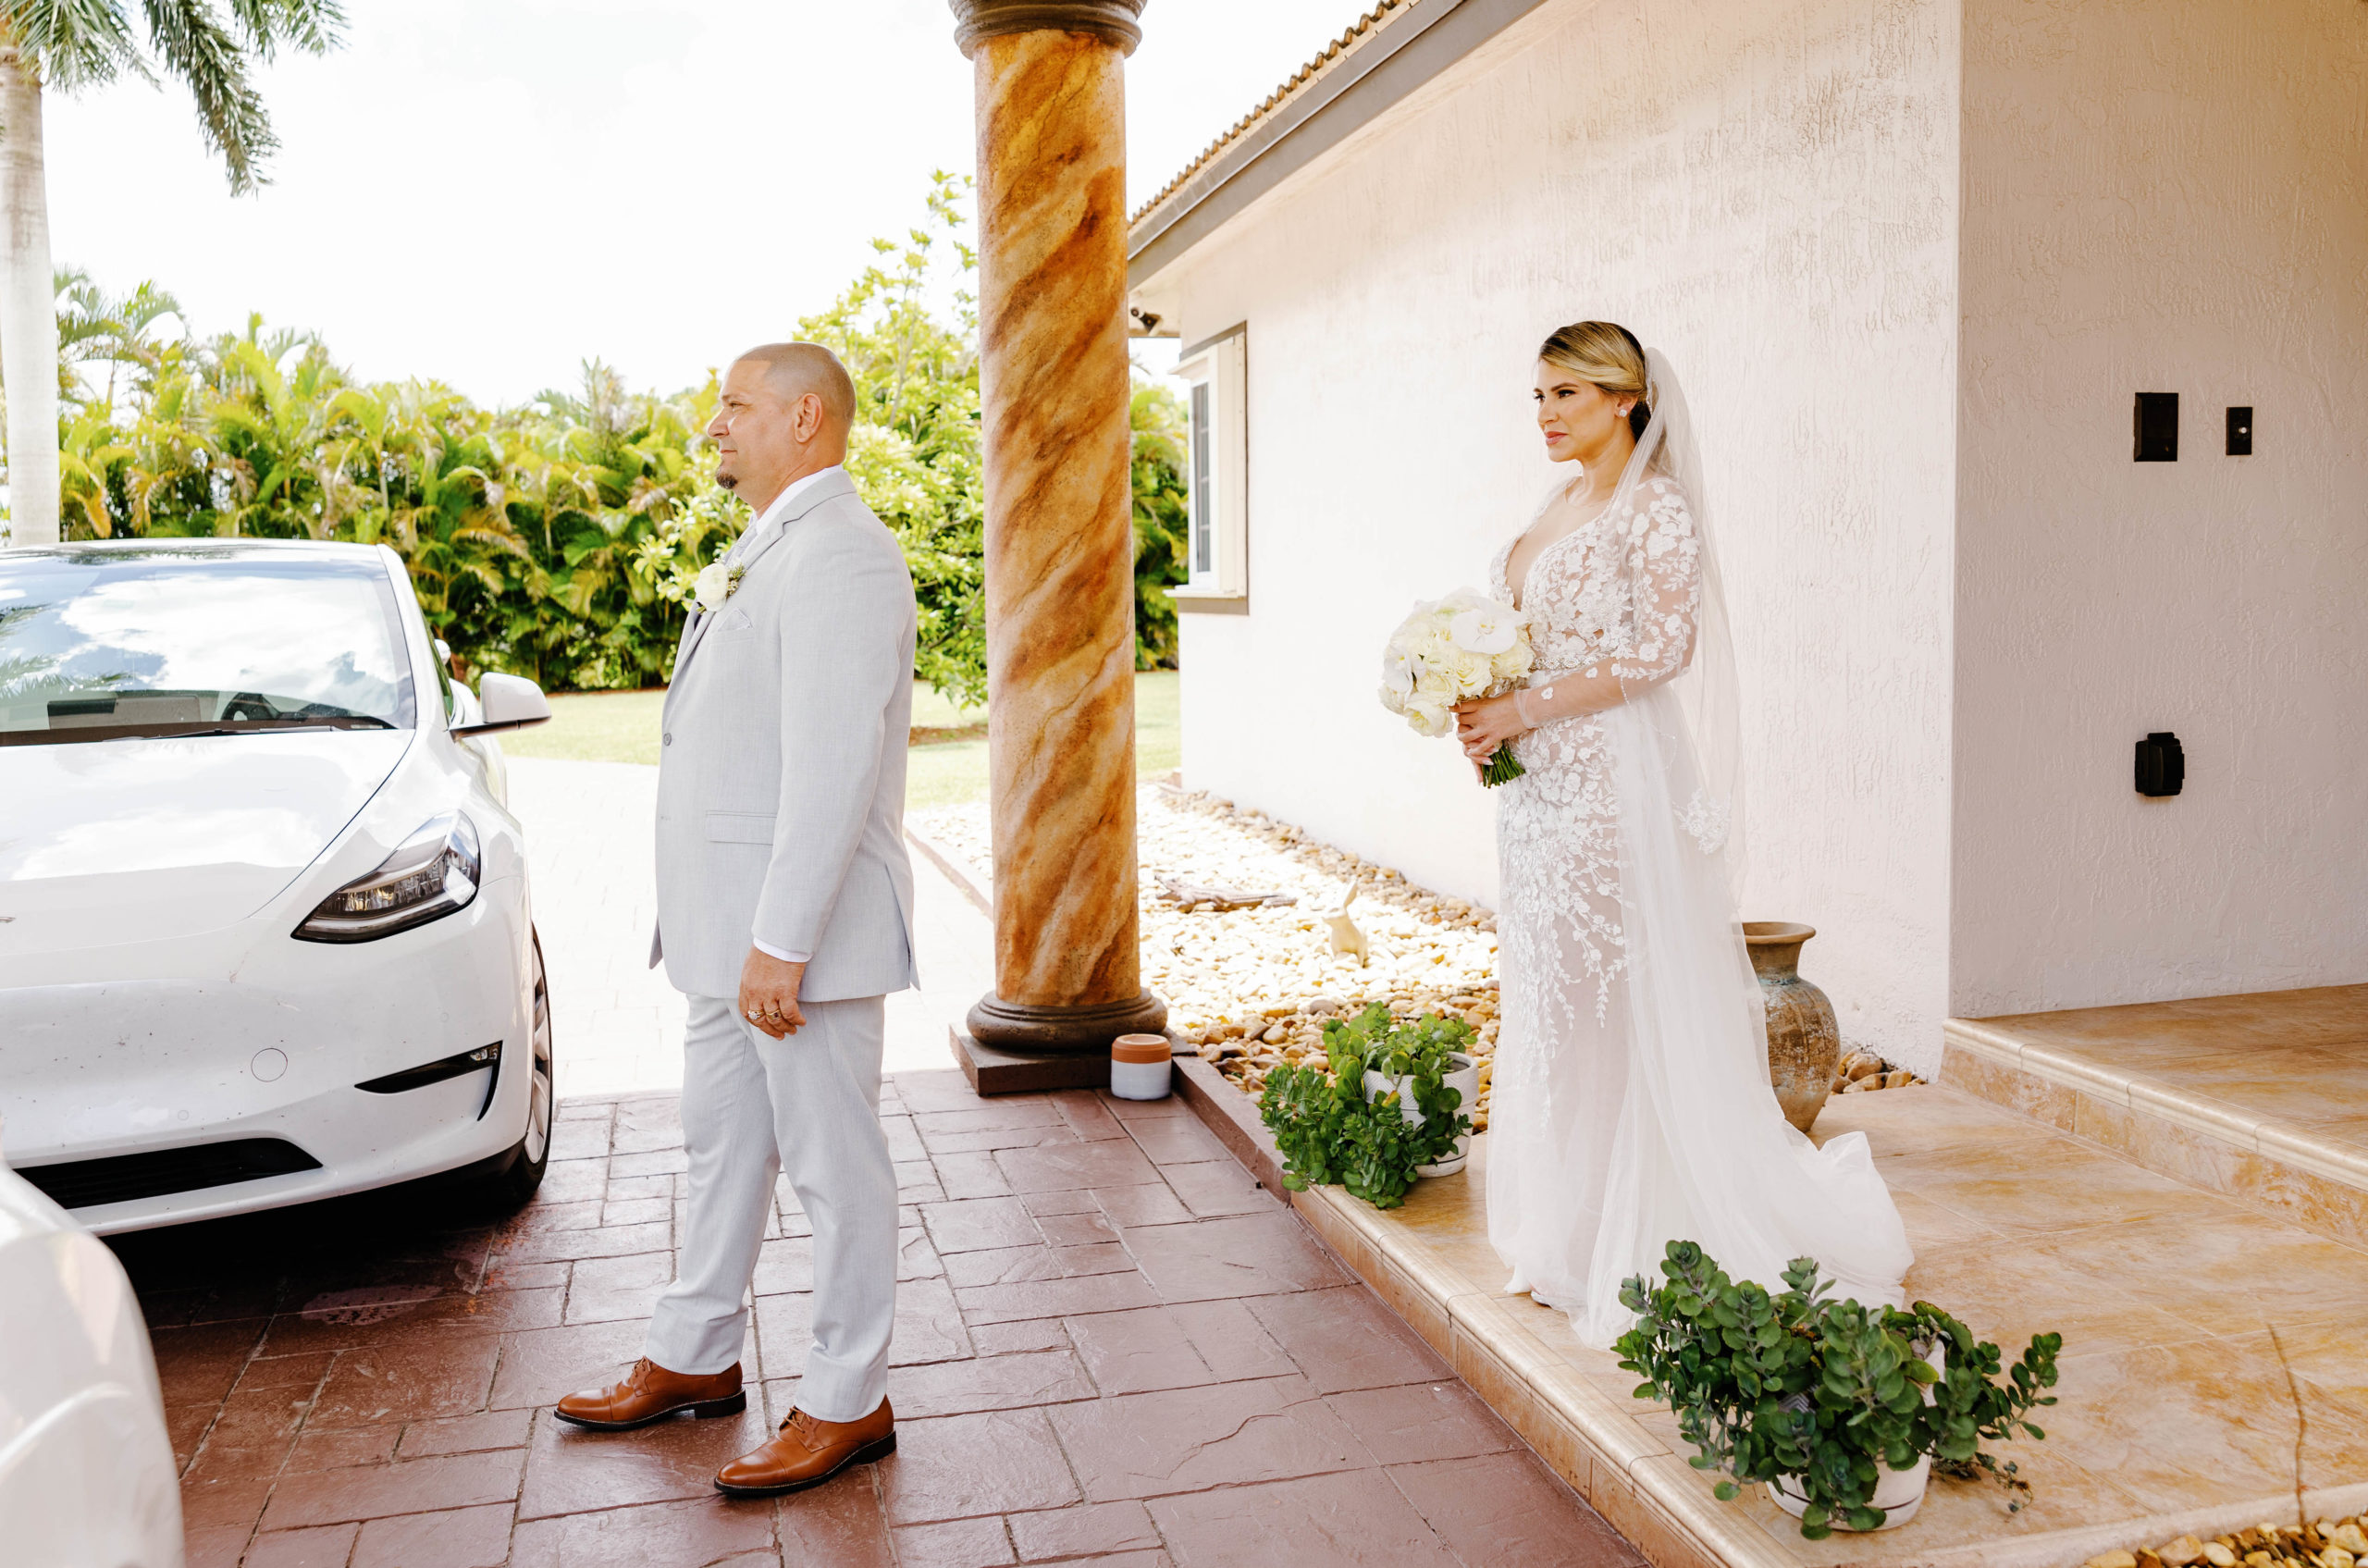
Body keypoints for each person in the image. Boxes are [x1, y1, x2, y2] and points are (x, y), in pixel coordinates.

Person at [1452, 321, 1910, 1349]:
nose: (1546, 415)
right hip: (1537, 793)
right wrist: (1478, 708)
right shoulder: (1553, 504)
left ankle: (1647, 1229)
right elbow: (1525, 641)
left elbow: (1665, 648)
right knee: (1557, 993)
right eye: (1537, 396)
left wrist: (1524, 712)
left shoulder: (1651, 508)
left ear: (1626, 398)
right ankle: (1569, 1225)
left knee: (1617, 992)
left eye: (1567, 394)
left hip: (1614, 781)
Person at [552, 341, 920, 1494]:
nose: (715, 423)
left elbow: (830, 769)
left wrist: (784, 943)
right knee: (722, 1151)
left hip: (789, 944)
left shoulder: (845, 558)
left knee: (831, 1163)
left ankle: (848, 1398)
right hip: (727, 937)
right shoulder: (768, 548)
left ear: (807, 418)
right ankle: (696, 1353)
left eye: (735, 405)